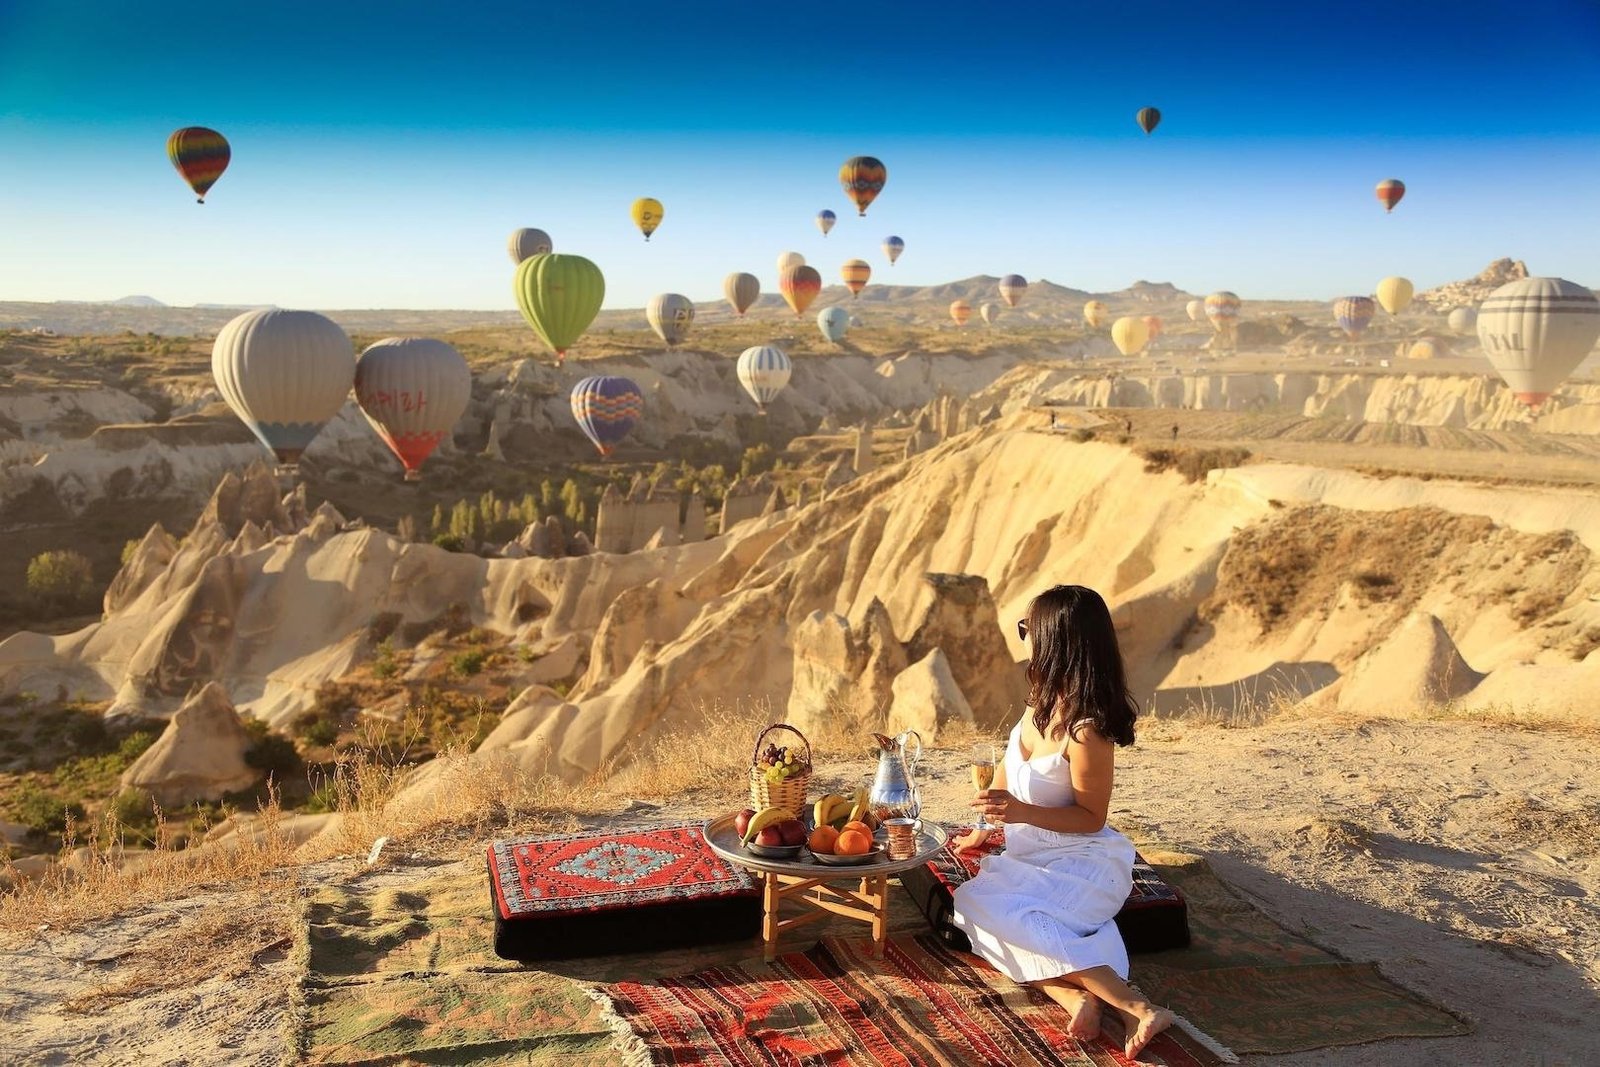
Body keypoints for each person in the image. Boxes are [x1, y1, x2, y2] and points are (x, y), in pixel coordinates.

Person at [951, 585, 1174, 1057]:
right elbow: (1006, 780)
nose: (1025, 638)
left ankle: (1140, 1007)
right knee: (970, 906)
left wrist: (1022, 813)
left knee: (1025, 921)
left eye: (1029, 630)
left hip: (1083, 862)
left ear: (1056, 640)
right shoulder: (1040, 703)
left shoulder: (1087, 729)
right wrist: (982, 830)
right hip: (1030, 857)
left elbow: (1093, 819)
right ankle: (1074, 994)